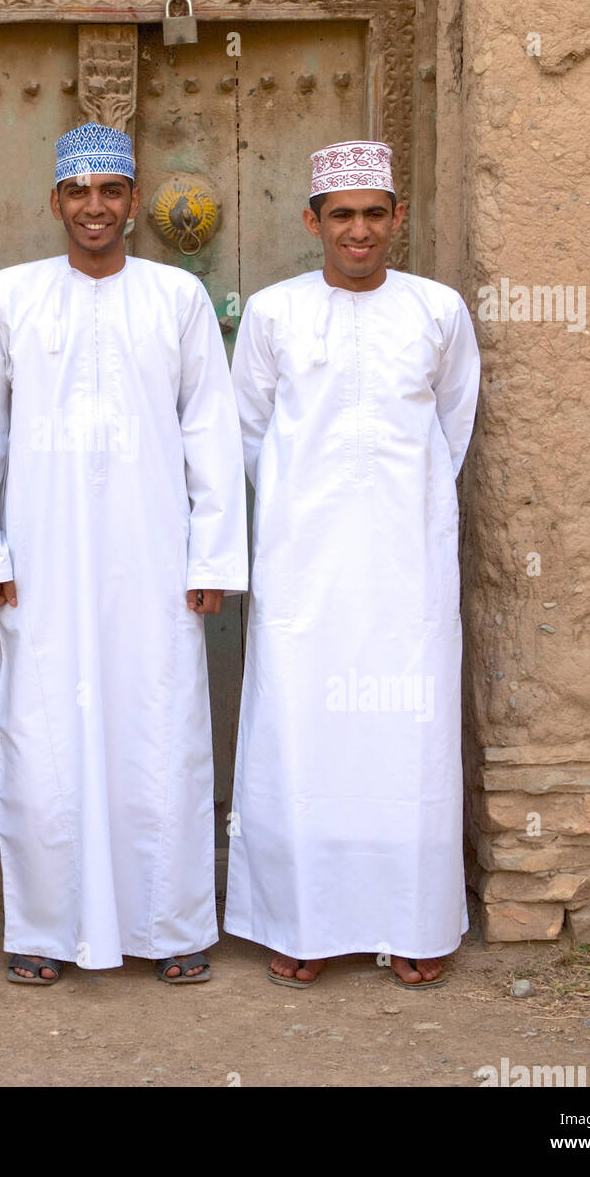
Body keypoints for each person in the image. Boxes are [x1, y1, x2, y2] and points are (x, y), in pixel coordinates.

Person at [0, 122, 247, 985]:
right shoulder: (10, 295)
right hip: (39, 562)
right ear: (55, 202)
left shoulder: (176, 299)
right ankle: (45, 929)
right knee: (42, 736)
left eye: (111, 192)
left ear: (131, 201)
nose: (94, 208)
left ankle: (171, 925)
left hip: (155, 560)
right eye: (78, 193)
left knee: (163, 730)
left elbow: (211, 432)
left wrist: (212, 559)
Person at [225, 140, 480, 990]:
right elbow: (250, 434)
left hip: (408, 561)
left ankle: (414, 921)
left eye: (376, 212)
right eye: (343, 214)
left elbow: (450, 429)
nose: (360, 230)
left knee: (407, 737)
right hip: (305, 563)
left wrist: (396, 508)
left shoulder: (438, 310)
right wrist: (308, 510)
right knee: (302, 733)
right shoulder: (271, 314)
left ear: (398, 218)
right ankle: (302, 923)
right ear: (313, 222)